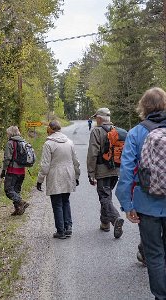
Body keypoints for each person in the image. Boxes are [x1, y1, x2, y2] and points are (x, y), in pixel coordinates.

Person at [115, 87, 166, 299]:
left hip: (147, 204)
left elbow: (126, 171)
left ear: (143, 107)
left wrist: (127, 205)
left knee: (154, 255)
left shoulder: (136, 132)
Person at [36, 120, 80, 239]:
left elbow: (45, 165)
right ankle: (68, 227)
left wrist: (39, 180)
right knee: (65, 201)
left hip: (55, 175)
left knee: (57, 203)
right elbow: (76, 162)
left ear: (50, 130)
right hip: (68, 174)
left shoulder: (48, 144)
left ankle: (60, 231)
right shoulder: (69, 142)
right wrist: (76, 176)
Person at [87, 107, 124, 239]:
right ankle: (105, 223)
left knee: (104, 197)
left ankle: (115, 219)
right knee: (106, 196)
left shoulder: (96, 131)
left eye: (96, 118)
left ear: (99, 118)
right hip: (116, 171)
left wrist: (91, 173)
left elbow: (92, 153)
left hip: (102, 171)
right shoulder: (117, 131)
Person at [0, 126, 30, 216]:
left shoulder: (10, 143)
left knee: (8, 190)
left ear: (10, 133)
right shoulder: (23, 142)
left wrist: (3, 170)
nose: (7, 134)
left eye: (7, 133)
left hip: (13, 171)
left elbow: (7, 158)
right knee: (16, 190)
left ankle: (21, 202)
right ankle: (18, 210)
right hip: (22, 171)